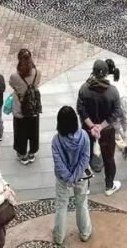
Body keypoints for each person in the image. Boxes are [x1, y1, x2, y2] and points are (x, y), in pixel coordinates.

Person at [76, 59, 123, 195]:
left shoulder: (84, 88)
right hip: (107, 130)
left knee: (86, 156)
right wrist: (101, 126)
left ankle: (86, 186)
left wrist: (92, 126)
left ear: (93, 72)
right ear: (106, 73)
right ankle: (109, 186)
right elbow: (116, 112)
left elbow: (80, 109)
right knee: (108, 158)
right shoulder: (113, 91)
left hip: (88, 129)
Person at [52, 105, 92, 244]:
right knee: (82, 204)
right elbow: (85, 158)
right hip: (80, 177)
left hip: (63, 179)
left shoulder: (56, 140)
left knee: (61, 206)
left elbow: (58, 163)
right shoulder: (84, 136)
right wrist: (75, 177)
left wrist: (68, 178)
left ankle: (59, 236)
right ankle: (85, 233)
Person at [10, 48, 42, 167]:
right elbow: (37, 84)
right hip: (33, 106)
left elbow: (12, 85)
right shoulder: (37, 72)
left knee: (20, 132)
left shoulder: (15, 76)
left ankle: (22, 153)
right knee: (34, 130)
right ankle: (32, 152)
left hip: (20, 108)